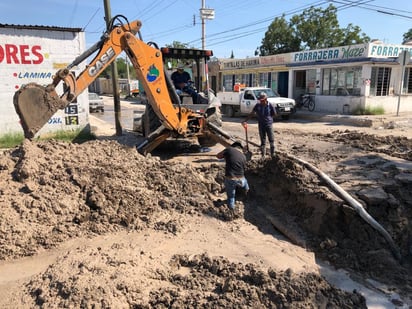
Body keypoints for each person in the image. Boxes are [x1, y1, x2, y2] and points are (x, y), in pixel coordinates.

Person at [216, 141, 249, 212]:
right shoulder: (243, 156)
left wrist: (225, 156)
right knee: (245, 181)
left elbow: (218, 156)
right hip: (242, 180)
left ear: (233, 146)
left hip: (231, 179)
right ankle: (247, 192)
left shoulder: (229, 149)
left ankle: (231, 210)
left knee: (231, 197)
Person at [242, 92, 276, 158]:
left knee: (271, 140)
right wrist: (245, 120)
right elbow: (252, 113)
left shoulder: (270, 105)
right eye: (260, 100)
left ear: (266, 99)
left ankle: (272, 155)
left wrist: (269, 120)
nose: (261, 102)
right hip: (261, 125)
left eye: (262, 100)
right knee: (263, 141)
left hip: (269, 125)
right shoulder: (258, 105)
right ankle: (263, 156)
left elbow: (274, 114)